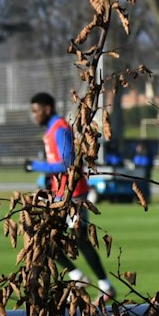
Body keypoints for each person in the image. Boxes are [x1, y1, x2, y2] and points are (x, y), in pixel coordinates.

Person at [23, 91, 113, 296]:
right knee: (46, 240)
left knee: (78, 239)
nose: (34, 115)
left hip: (74, 195)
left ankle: (103, 284)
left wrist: (35, 166)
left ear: (47, 109)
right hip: (61, 195)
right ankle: (80, 277)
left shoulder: (60, 128)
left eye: (36, 111)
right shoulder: (52, 129)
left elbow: (67, 163)